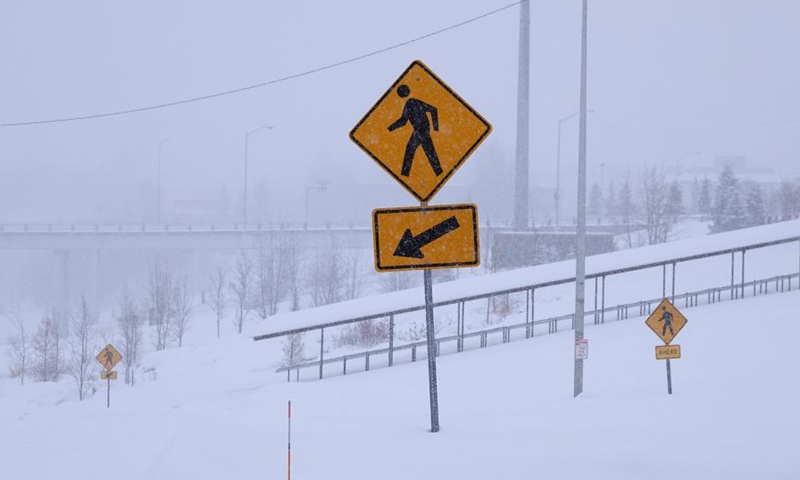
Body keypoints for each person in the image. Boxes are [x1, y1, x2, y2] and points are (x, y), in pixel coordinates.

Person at [387, 84, 442, 177]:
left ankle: (405, 175)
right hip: (421, 130)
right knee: (427, 152)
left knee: (414, 150)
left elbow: (433, 109)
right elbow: (404, 121)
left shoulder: (412, 102)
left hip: (422, 130)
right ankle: (439, 173)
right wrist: (390, 128)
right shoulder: (410, 103)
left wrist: (435, 128)